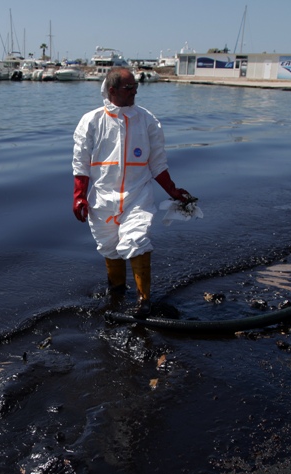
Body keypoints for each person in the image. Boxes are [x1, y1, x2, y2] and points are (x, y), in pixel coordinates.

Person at [72, 66, 193, 317]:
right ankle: (116, 294)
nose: (135, 92)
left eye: (136, 87)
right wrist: (79, 195)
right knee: (109, 246)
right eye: (129, 88)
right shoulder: (91, 121)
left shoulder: (147, 120)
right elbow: (80, 162)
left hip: (138, 195)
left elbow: (158, 163)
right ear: (112, 90)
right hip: (103, 197)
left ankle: (143, 303)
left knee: (137, 240)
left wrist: (173, 191)